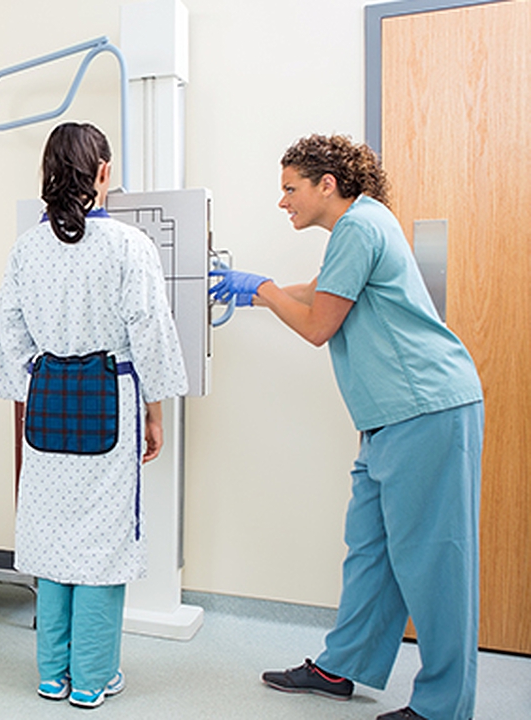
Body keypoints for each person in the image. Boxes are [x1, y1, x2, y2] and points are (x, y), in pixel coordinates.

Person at [210, 134, 484, 720]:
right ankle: (343, 666)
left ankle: (444, 706)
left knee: (436, 561)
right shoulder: (359, 226)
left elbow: (319, 325)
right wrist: (255, 295)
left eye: (291, 189)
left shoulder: (359, 226)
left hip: (424, 408)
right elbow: (322, 292)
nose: (283, 201)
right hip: (388, 417)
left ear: (326, 184)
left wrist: (262, 288)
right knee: (371, 549)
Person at [0, 122, 187, 709]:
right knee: (102, 543)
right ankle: (94, 678)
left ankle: (53, 675)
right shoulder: (129, 246)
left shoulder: (27, 248)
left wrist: (37, 384)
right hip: (110, 400)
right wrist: (155, 413)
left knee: (49, 538)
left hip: (47, 403)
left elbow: (9, 333)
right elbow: (150, 332)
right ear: (103, 172)